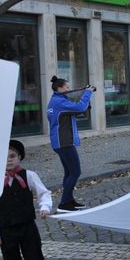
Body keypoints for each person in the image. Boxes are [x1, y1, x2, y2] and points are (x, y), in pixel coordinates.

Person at [0, 140, 52, 260]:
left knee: (34, 259)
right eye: (4, 157)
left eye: (12, 156)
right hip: (6, 229)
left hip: (27, 226)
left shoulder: (30, 175)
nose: (8, 160)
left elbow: (44, 193)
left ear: (20, 157)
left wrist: (45, 207)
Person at [47, 75, 94, 213]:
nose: (69, 89)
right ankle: (64, 204)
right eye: (67, 87)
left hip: (60, 142)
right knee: (75, 172)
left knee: (69, 172)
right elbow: (79, 108)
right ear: (60, 88)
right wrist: (88, 92)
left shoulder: (57, 100)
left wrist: (85, 101)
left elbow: (76, 111)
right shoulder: (59, 102)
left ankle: (68, 200)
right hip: (64, 142)